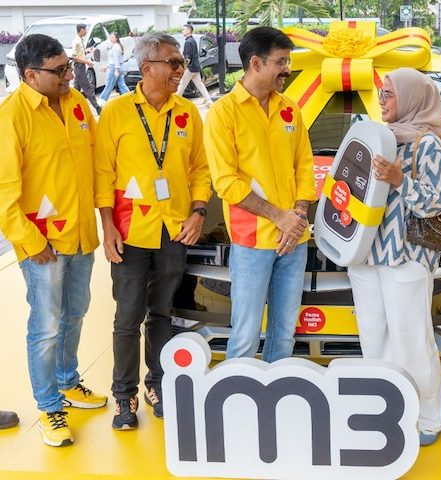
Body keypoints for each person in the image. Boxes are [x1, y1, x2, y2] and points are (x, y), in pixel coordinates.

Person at [94, 32, 211, 430]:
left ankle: (157, 384)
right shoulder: (117, 112)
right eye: (173, 63)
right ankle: (123, 395)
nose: (181, 70)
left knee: (161, 313)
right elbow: (103, 174)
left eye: (182, 63)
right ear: (146, 67)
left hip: (173, 229)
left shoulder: (188, 113)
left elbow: (200, 169)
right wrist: (107, 225)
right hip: (129, 231)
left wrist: (198, 212)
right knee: (127, 316)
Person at [0, 34, 107, 447]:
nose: (70, 75)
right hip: (43, 245)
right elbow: (4, 193)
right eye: (60, 70)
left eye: (69, 67)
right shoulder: (12, 117)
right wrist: (32, 243)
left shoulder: (77, 104)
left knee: (75, 313)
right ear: (31, 75)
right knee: (45, 328)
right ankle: (49, 406)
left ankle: (67, 380)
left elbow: (96, 161)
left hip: (81, 235)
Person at [347, 67, 441, 446]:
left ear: (411, 98)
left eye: (389, 94)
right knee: (373, 339)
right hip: (365, 255)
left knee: (412, 341)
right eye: (381, 93)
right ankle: (386, 412)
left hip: (407, 257)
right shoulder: (378, 137)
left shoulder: (428, 145)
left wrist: (398, 179)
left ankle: (428, 418)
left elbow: (435, 204)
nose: (382, 100)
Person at [204, 27, 315, 362]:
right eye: (281, 62)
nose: (287, 69)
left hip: (293, 238)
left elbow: (304, 166)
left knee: (285, 332)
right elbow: (226, 182)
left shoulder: (289, 108)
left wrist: (297, 216)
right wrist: (279, 217)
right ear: (255, 63)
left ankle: (276, 390)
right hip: (252, 241)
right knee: (246, 332)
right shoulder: (224, 113)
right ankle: (238, 393)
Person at [176, 23, 213, 105]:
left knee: (182, 84)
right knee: (200, 84)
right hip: (195, 67)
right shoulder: (192, 40)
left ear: (189, 30)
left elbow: (188, 58)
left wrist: (183, 67)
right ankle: (209, 101)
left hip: (190, 68)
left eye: (183, 29)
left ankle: (175, 101)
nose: (182, 31)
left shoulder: (188, 42)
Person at [71, 23, 102, 114]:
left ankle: (72, 107)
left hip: (80, 67)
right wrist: (87, 62)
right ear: (81, 30)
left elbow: (79, 53)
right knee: (87, 88)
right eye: (85, 29)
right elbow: (74, 56)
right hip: (79, 67)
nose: (86, 31)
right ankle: (97, 107)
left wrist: (87, 51)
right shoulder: (76, 41)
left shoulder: (80, 40)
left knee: (76, 89)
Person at [99, 31, 130, 103]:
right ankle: (130, 97)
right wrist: (106, 67)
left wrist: (116, 70)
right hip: (117, 67)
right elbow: (114, 60)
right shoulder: (118, 46)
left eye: (112, 37)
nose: (111, 39)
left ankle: (102, 100)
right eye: (110, 37)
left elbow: (116, 59)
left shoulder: (116, 47)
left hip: (115, 68)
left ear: (116, 38)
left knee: (109, 84)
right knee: (121, 84)